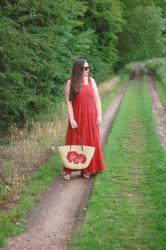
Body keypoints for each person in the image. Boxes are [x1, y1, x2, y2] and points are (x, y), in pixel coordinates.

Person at [63, 58, 105, 180]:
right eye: (85, 68)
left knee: (90, 142)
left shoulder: (91, 81)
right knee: (74, 142)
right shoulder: (70, 83)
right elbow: (68, 102)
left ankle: (87, 169)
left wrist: (99, 115)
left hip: (91, 117)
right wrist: (71, 119)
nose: (87, 70)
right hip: (77, 117)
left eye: (88, 67)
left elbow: (97, 100)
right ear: (78, 69)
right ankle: (68, 170)